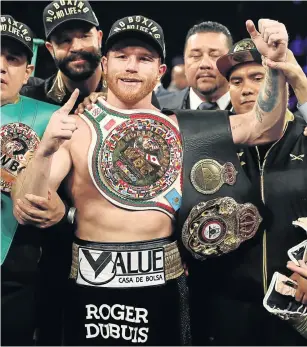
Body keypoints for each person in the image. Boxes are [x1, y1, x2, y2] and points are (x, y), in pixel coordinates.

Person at [13, 14, 290, 345]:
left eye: (144, 59)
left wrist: (275, 66)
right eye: (122, 57)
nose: (132, 67)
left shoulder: (187, 127)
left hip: (164, 288)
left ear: (160, 72)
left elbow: (263, 125)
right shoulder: (75, 129)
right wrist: (44, 152)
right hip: (89, 288)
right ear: (105, 62)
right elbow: (26, 206)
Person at [184, 37, 307, 346]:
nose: (247, 88)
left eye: (258, 77)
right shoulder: (213, 139)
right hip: (225, 306)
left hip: (295, 304)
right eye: (236, 81)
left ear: (283, 84)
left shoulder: (303, 136)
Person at [0, 15, 62, 346]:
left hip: (16, 268)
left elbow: (64, 191)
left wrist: (61, 207)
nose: (1, 66)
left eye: (13, 59)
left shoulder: (51, 117)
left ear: (28, 71)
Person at [158, 21, 232, 111]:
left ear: (231, 61)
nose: (204, 64)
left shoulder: (251, 111)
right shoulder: (158, 111)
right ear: (184, 62)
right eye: (196, 56)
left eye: (215, 55)